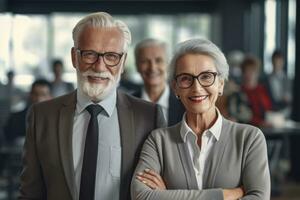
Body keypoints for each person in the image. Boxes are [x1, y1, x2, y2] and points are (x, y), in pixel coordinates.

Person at [19, 12, 166, 200]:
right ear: (74, 57)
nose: (99, 66)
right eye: (90, 54)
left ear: (122, 63)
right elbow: (30, 194)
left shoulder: (149, 117)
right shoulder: (42, 116)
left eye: (111, 56)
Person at [131, 38, 270, 200]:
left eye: (206, 77)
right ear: (175, 87)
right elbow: (141, 196)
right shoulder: (158, 141)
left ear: (221, 84)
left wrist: (166, 195)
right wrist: (223, 195)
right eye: (186, 78)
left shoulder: (250, 138)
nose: (196, 88)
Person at [133, 38, 185, 126]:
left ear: (169, 65)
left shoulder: (184, 105)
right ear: (137, 66)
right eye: (145, 61)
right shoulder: (125, 105)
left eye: (158, 60)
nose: (152, 67)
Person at [4, 79, 52, 143]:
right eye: (35, 94)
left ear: (50, 97)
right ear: (30, 95)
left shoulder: (57, 120)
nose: (39, 99)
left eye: (43, 95)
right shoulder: (14, 119)